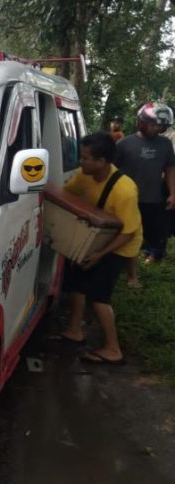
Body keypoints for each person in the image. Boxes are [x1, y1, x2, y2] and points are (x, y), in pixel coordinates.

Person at [59, 133, 142, 364]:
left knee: (98, 296)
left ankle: (113, 349)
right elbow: (66, 193)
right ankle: (75, 330)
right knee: (76, 280)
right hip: (97, 237)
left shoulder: (125, 190)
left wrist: (99, 255)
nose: (80, 162)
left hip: (119, 244)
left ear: (102, 162)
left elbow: (128, 232)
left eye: (85, 159)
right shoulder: (83, 176)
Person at [114, 103, 175, 288]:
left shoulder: (165, 144)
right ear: (142, 122)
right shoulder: (124, 144)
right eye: (154, 124)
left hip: (153, 198)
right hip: (127, 201)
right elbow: (111, 172)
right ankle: (121, 271)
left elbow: (170, 169)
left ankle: (149, 259)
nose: (157, 129)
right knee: (126, 235)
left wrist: (173, 193)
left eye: (161, 126)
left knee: (149, 234)